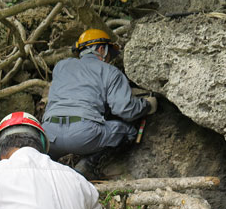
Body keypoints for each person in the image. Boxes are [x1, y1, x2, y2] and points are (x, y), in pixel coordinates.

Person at [41, 28, 157, 179]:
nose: (109, 59)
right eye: (109, 54)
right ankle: (86, 166)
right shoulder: (110, 71)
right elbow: (125, 110)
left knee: (46, 158)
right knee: (128, 132)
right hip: (83, 134)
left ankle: (50, 174)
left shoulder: (61, 66)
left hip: (49, 134)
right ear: (102, 49)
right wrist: (147, 105)